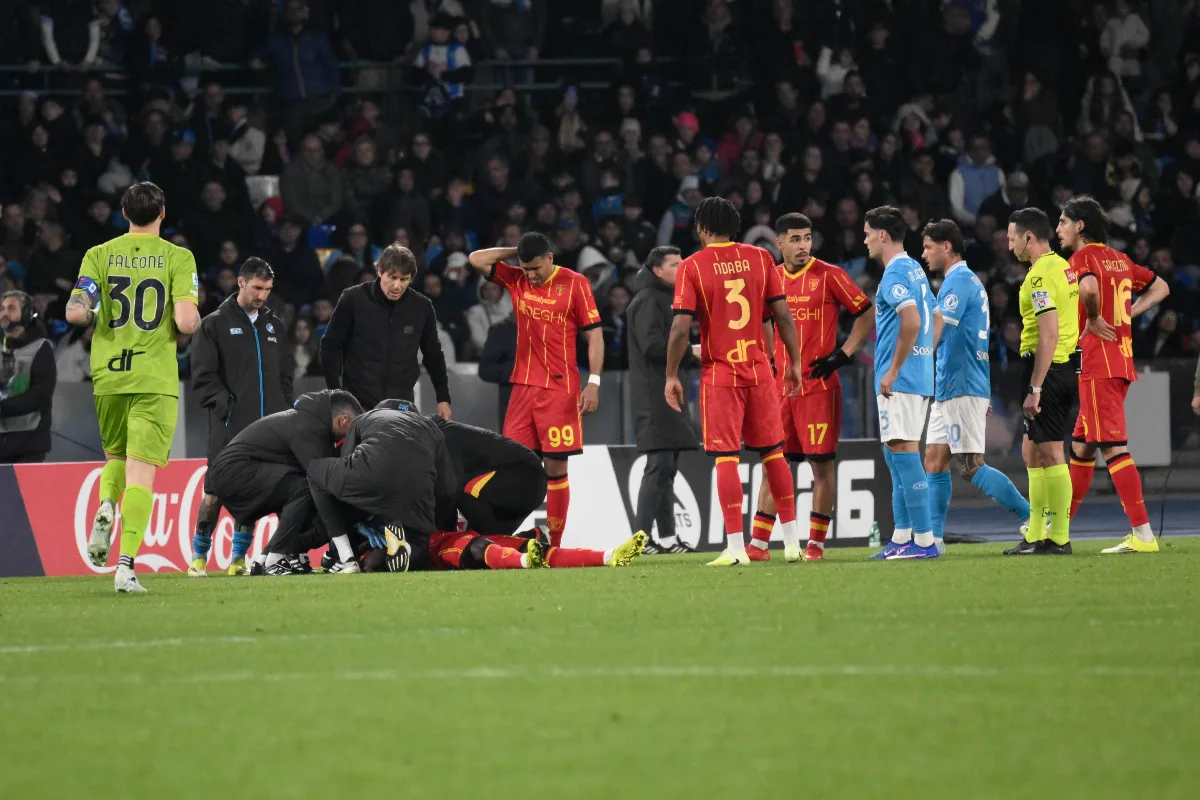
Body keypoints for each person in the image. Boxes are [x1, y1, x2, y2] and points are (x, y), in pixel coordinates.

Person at [65, 182, 201, 593]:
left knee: (117, 459)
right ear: (162, 213)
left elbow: (75, 312)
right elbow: (185, 323)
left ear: (124, 214)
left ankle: (107, 503)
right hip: (153, 379)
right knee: (142, 476)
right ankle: (125, 567)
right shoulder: (178, 257)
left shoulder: (98, 255)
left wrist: (90, 315)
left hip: (108, 375)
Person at [664, 197, 805, 567]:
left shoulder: (692, 266)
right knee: (773, 453)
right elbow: (782, 315)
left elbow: (680, 329)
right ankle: (792, 543)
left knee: (727, 458)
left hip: (721, 373)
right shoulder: (761, 258)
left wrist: (670, 375)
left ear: (701, 228)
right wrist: (793, 363)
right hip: (760, 368)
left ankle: (736, 547)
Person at [749, 213, 875, 562]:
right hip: (780, 391)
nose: (803, 245)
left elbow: (866, 311)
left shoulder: (830, 275)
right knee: (774, 464)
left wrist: (844, 355)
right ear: (780, 242)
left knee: (821, 467)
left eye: (807, 238)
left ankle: (815, 544)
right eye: (796, 239)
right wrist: (770, 358)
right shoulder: (768, 278)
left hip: (819, 389)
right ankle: (759, 545)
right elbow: (762, 321)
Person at [466, 233, 605, 548]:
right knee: (511, 464)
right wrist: (520, 251)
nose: (531, 275)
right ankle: (502, 536)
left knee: (555, 467)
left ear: (550, 258)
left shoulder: (575, 284)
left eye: (536, 268)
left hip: (559, 389)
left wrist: (594, 382)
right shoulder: (516, 279)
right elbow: (476, 258)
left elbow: (594, 336)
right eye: (525, 268)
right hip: (522, 390)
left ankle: (555, 544)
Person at [1057, 197, 1170, 554]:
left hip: (1099, 363)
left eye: (1063, 222)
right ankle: (1058, 530)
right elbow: (1161, 286)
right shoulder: (1119, 259)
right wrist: (1131, 313)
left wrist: (1092, 318)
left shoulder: (1083, 257)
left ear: (1080, 225)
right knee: (1082, 445)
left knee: (1112, 447)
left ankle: (1143, 533)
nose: (1058, 228)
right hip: (1121, 360)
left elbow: (1089, 289)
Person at [921, 220, 1031, 552]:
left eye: (928, 247)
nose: (924, 254)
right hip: (951, 384)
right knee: (934, 460)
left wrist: (914, 361)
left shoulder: (958, 281)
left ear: (946, 247)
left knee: (970, 465)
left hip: (962, 382)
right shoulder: (964, 281)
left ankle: (1036, 519)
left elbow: (939, 328)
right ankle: (933, 540)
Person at [188, 257, 295, 576]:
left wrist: (285, 408)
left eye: (268, 289)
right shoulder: (214, 324)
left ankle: (237, 559)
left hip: (269, 430)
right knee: (214, 492)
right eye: (257, 288)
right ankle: (198, 558)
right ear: (241, 283)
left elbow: (286, 372)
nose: (262, 295)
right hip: (229, 428)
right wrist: (228, 407)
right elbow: (203, 377)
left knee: (254, 494)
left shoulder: (274, 325)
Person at [202, 390, 362, 576]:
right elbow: (322, 488)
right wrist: (347, 555)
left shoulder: (312, 423)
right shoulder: (309, 428)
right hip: (231, 473)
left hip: (233, 472)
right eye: (353, 427)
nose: (352, 436)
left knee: (304, 493)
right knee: (308, 489)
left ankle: (267, 560)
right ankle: (275, 559)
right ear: (342, 420)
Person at [1004, 207, 1080, 556]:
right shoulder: (1063, 268)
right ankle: (1035, 535)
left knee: (1050, 453)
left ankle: (1059, 538)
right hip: (1060, 366)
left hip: (1047, 369)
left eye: (1012, 239)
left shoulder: (1038, 277)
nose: (1010, 246)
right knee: (1031, 452)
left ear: (1028, 237)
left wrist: (1035, 387)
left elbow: (1048, 333)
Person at [863, 205, 937, 561]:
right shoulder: (916, 270)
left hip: (902, 379)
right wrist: (924, 356)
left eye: (867, 233)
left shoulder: (894, 274)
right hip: (918, 374)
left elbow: (911, 320)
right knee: (896, 457)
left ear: (881, 235)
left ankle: (923, 542)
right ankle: (902, 537)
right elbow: (933, 316)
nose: (864, 240)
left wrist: (893, 369)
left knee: (905, 455)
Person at [307, 406, 459, 574]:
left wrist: (362, 521)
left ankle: (345, 558)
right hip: (418, 484)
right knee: (421, 548)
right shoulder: (430, 427)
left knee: (315, 471)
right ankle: (408, 548)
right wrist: (436, 521)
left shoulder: (364, 418)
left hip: (373, 473)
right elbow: (447, 488)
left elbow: (348, 462)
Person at [374, 398, 548, 538]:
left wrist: (441, 537)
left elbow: (450, 491)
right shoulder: (429, 438)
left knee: (462, 495)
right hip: (519, 480)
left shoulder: (439, 438)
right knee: (488, 544)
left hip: (525, 477)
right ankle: (537, 538)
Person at [320, 244, 452, 417]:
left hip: (402, 406)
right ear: (379, 271)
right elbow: (329, 347)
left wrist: (443, 398)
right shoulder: (353, 299)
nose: (397, 286)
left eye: (404, 279)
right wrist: (336, 395)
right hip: (358, 405)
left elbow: (433, 355)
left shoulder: (422, 307)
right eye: (392, 277)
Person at [626, 245, 699, 554]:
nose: (681, 267)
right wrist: (693, 352)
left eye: (682, 261)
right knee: (658, 466)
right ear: (657, 270)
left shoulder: (667, 299)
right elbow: (653, 348)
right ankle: (640, 540)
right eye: (674, 263)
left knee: (667, 467)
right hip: (654, 396)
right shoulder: (646, 301)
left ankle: (668, 539)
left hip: (670, 392)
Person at [357, 527, 647, 572]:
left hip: (461, 531)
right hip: (440, 548)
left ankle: (608, 556)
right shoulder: (367, 544)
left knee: (539, 546)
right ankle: (523, 562)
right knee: (477, 548)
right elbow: (371, 564)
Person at [0, 291, 56, 464]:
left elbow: (41, 395)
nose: (4, 314)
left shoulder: (41, 347)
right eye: (1, 309)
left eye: (11, 308)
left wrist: (3, 406)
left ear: (26, 313)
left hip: (29, 445)